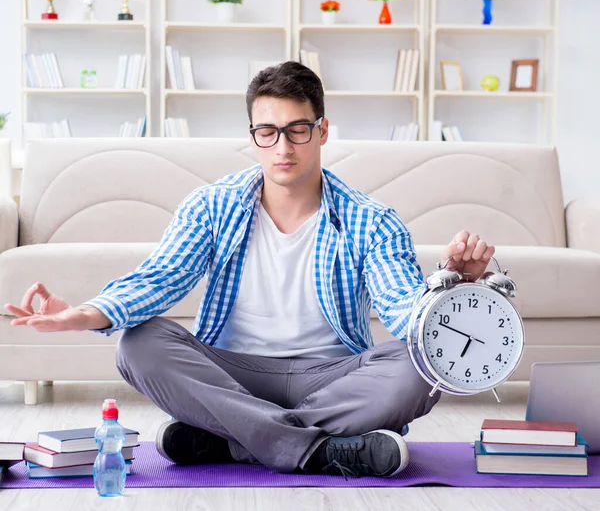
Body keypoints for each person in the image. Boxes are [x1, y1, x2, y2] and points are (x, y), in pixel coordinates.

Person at [5, 61, 495, 478]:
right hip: (232, 373)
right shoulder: (213, 205)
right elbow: (161, 278)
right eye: (268, 131)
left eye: (298, 130)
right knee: (139, 343)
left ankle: (232, 439)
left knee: (425, 365)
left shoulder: (372, 220)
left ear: (322, 131)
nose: (283, 147)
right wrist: (85, 314)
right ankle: (320, 450)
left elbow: (405, 309)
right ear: (253, 137)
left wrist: (454, 287)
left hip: (331, 376)